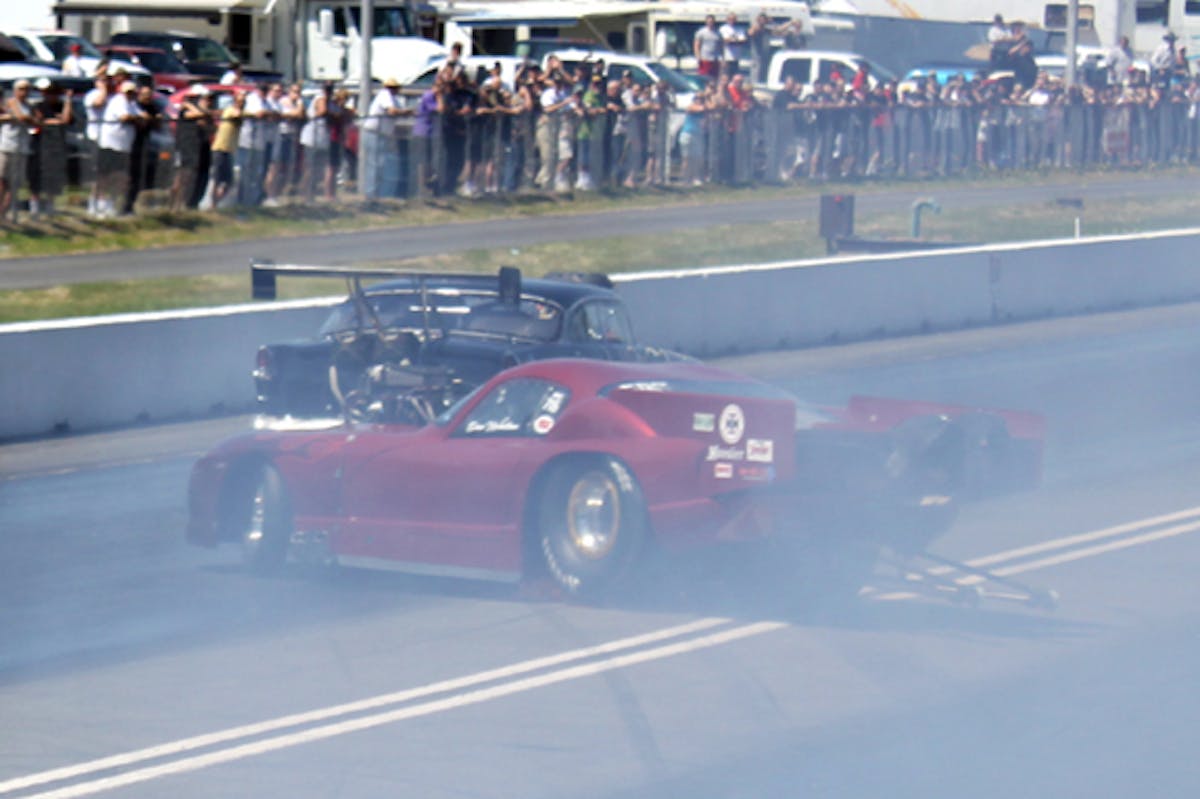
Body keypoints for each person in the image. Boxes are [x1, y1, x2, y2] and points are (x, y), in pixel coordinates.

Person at [96, 80, 143, 217]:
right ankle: (100, 205)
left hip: (124, 146)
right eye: (128, 92)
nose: (131, 95)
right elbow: (124, 117)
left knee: (119, 177)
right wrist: (137, 118)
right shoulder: (118, 101)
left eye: (133, 92)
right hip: (110, 145)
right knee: (105, 177)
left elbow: (143, 117)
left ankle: (111, 204)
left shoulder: (132, 104)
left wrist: (137, 118)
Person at [27, 77, 72, 217]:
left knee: (53, 177)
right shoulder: (38, 106)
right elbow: (40, 121)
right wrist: (54, 121)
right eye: (47, 92)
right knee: (36, 177)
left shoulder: (61, 106)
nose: (50, 95)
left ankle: (50, 206)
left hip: (56, 147)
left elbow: (66, 120)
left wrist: (68, 101)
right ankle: (34, 206)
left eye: (54, 93)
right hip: (39, 146)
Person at [361, 77, 408, 199]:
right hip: (374, 133)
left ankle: (378, 194)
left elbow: (398, 111)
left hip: (382, 135)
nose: (393, 89)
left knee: (380, 164)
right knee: (374, 165)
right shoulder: (384, 95)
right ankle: (370, 195)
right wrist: (405, 112)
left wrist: (406, 112)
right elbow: (392, 111)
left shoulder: (394, 99)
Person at [170, 84, 212, 213]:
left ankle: (189, 203)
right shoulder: (186, 110)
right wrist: (189, 104)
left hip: (197, 149)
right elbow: (197, 114)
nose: (207, 102)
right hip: (185, 148)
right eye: (203, 98)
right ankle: (174, 205)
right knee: (183, 177)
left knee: (194, 177)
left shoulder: (204, 114)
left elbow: (208, 124)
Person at [0, 81, 36, 221]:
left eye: (27, 89)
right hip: (5, 146)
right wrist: (22, 117)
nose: (24, 92)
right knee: (2, 181)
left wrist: (27, 118)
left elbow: (37, 120)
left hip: (22, 148)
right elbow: (21, 116)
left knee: (14, 183)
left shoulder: (30, 105)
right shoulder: (10, 102)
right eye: (21, 89)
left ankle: (4, 212)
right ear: (15, 90)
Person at [125, 84, 162, 214]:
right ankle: (124, 205)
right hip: (131, 144)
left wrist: (154, 119)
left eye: (149, 96)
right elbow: (138, 122)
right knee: (128, 176)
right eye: (145, 95)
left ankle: (130, 205)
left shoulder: (152, 107)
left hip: (144, 145)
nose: (147, 98)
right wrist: (145, 119)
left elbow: (157, 124)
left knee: (138, 177)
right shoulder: (135, 106)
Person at [210, 88, 243, 206]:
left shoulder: (240, 112)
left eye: (243, 102)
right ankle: (213, 204)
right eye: (240, 101)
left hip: (230, 150)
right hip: (220, 148)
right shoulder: (230, 110)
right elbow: (237, 115)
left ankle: (216, 201)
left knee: (229, 181)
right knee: (217, 179)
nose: (242, 104)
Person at [693, 15, 722, 81]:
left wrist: (722, 58)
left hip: (715, 60)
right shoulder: (701, 32)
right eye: (709, 21)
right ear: (706, 22)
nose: (710, 23)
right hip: (704, 59)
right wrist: (698, 57)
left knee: (714, 79)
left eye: (712, 21)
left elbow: (721, 46)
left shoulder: (718, 33)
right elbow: (696, 45)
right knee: (704, 78)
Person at [718, 13, 747, 77]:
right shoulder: (723, 28)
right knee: (725, 76)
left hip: (736, 58)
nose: (732, 21)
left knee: (734, 77)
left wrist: (732, 40)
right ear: (727, 20)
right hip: (726, 58)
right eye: (730, 19)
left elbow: (743, 40)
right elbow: (725, 40)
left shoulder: (740, 29)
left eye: (734, 19)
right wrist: (736, 40)